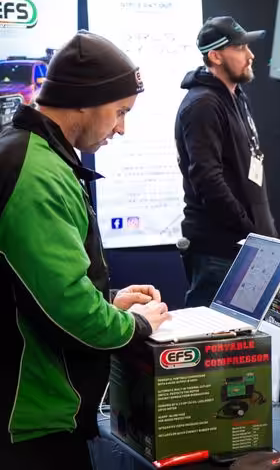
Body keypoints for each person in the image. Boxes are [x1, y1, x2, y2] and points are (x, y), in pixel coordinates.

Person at [0, 31, 170, 469]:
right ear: (84, 99)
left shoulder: (33, 154)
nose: (121, 128)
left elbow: (33, 288)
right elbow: (68, 309)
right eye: (120, 111)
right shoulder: (36, 173)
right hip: (31, 421)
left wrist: (107, 302)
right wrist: (136, 325)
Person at [175, 16, 278, 307]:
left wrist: (264, 233)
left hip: (248, 245)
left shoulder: (236, 96)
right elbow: (208, 180)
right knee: (215, 333)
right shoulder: (203, 104)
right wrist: (248, 230)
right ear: (215, 56)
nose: (250, 55)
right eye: (240, 48)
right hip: (220, 250)